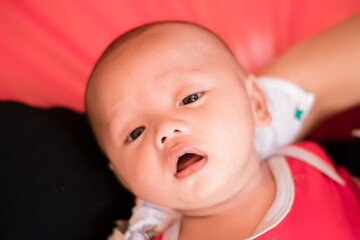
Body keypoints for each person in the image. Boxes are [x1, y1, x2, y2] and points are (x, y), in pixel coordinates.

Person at [85, 14, 360, 240]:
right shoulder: (144, 233)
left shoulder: (312, 165)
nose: (165, 129)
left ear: (257, 104)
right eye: (135, 132)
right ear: (122, 177)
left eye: (190, 98)